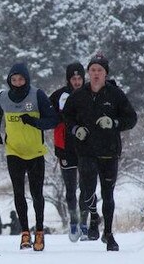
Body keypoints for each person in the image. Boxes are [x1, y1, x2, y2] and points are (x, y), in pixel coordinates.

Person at [63, 54, 138, 251]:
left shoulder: (115, 94)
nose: (96, 74)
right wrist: (75, 130)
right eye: (93, 70)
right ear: (89, 73)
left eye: (100, 71)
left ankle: (109, 234)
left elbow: (131, 119)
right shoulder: (78, 96)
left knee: (108, 194)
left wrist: (114, 123)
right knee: (87, 191)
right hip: (86, 150)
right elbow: (67, 117)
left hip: (109, 151)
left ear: (106, 73)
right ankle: (94, 217)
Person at [0, 63, 58, 251]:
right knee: (18, 193)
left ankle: (40, 232)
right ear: (9, 80)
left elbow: (53, 120)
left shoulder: (37, 95)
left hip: (35, 152)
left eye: (21, 79)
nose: (17, 83)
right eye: (14, 79)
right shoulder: (3, 97)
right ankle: (25, 233)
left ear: (27, 79)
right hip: (14, 152)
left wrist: (35, 122)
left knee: (37, 194)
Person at [49, 62, 100, 242]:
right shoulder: (58, 96)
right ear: (68, 79)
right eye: (73, 78)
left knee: (86, 188)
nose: (77, 82)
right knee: (70, 189)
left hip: (86, 147)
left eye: (79, 78)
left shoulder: (91, 93)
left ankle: (84, 223)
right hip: (65, 148)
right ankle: (73, 221)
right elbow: (48, 117)